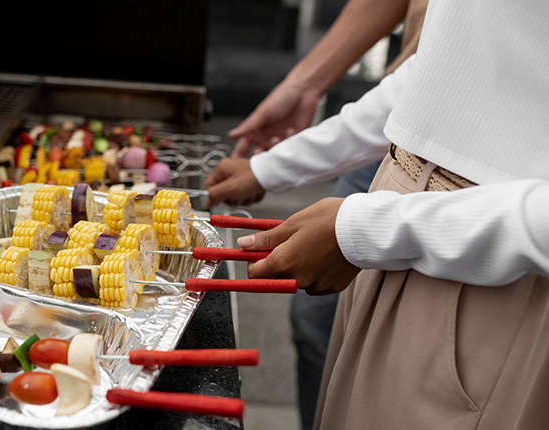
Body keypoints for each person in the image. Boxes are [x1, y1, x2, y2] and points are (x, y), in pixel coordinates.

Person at [205, 0, 549, 428]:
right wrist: (274, 165)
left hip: (484, 270)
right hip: (398, 238)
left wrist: (365, 230)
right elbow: (440, 69)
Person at [218, 1, 428, 428]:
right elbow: (425, 75)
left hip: (463, 201)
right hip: (394, 140)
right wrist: (301, 90)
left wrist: (361, 230)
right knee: (321, 324)